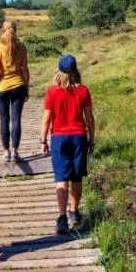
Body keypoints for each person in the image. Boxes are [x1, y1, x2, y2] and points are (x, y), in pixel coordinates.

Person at [41, 54, 95, 235]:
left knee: (61, 179)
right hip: (79, 137)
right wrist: (92, 140)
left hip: (59, 138)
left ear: (59, 71)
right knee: (77, 178)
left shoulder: (52, 92)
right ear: (75, 71)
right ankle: (74, 212)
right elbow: (89, 118)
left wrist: (43, 140)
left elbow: (46, 119)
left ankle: (62, 217)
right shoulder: (83, 91)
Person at [0, 20, 30, 162]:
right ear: (15, 31)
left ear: (2, 31)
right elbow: (24, 70)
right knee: (16, 119)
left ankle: (6, 152)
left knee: (4, 120)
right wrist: (27, 87)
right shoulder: (22, 48)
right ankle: (15, 152)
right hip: (19, 86)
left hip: (2, 88)